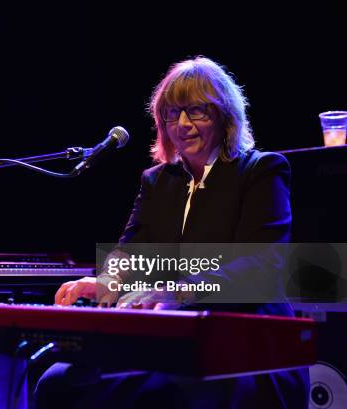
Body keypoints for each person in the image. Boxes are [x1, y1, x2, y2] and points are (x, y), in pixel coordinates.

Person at [35, 57, 309, 408]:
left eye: (196, 111)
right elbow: (129, 252)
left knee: (171, 392)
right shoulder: (156, 180)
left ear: (224, 116)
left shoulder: (261, 170)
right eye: (171, 113)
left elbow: (261, 267)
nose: (182, 124)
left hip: (248, 343)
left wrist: (175, 293)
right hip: (173, 340)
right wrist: (106, 282)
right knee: (57, 380)